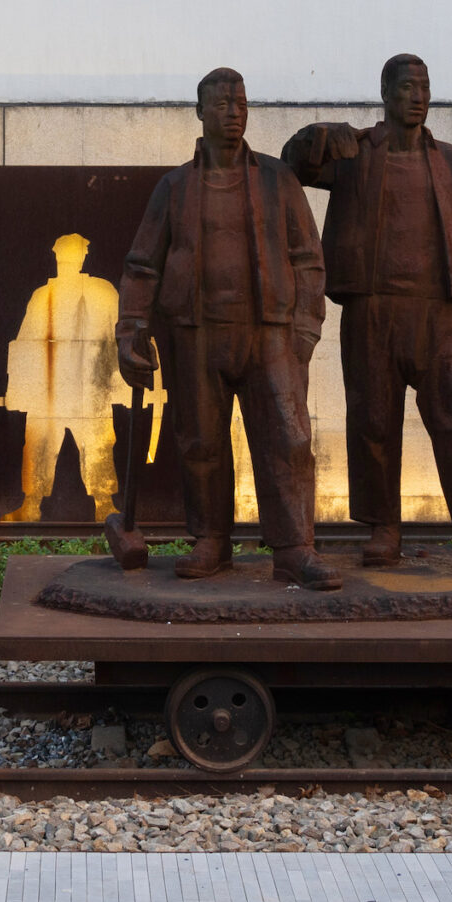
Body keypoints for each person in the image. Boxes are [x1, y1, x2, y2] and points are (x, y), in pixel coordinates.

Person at [283, 53, 452, 577]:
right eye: (406, 87)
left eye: (424, 87)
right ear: (385, 93)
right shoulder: (355, 154)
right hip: (371, 312)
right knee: (373, 423)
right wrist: (317, 135)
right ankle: (383, 529)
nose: (417, 96)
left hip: (440, 316)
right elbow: (294, 167)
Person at [117, 67, 339, 590]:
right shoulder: (174, 186)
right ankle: (211, 540)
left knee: (287, 437)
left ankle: (293, 548)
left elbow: (309, 258)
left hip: (270, 335)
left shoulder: (276, 179)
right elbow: (142, 265)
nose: (233, 112)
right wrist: (131, 329)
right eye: (221, 104)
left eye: (240, 103)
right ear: (199, 112)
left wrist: (305, 327)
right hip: (195, 334)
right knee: (200, 441)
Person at [3, 233, 131, 522]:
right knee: (39, 447)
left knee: (98, 444)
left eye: (74, 254)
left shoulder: (102, 291)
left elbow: (119, 336)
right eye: (66, 254)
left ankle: (104, 504)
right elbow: (26, 342)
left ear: (84, 256)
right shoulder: (42, 295)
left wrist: (121, 383)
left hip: (91, 388)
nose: (70, 259)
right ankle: (32, 503)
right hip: (50, 390)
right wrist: (20, 389)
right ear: (56, 256)